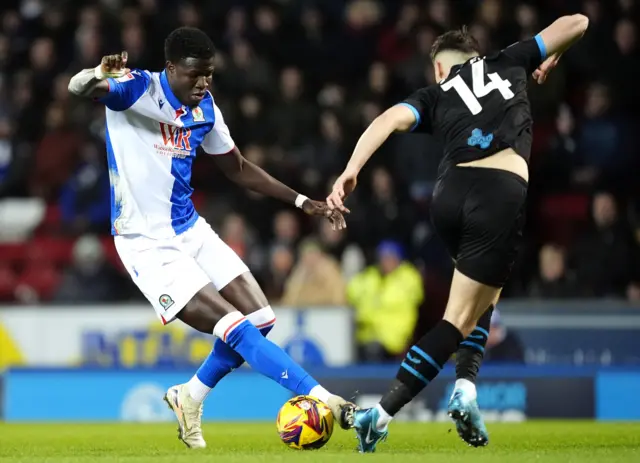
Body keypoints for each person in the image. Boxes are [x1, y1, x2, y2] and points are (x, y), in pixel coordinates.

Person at [68, 26, 354, 449]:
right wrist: (96, 72)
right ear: (170, 69)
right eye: (194, 75)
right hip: (145, 241)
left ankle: (190, 396)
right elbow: (79, 88)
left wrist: (301, 202)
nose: (203, 83)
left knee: (262, 319)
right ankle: (321, 396)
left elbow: (236, 167)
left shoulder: (206, 110)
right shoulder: (137, 89)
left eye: (209, 75)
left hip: (190, 229)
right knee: (236, 329)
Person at [327, 15, 589, 452]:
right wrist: (554, 54)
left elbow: (387, 119)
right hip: (498, 192)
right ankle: (383, 413)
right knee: (458, 318)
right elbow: (579, 21)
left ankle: (466, 389)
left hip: (447, 196)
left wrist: (351, 171)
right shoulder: (510, 59)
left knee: (483, 297)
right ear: (475, 56)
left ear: (438, 68)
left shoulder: (433, 94)